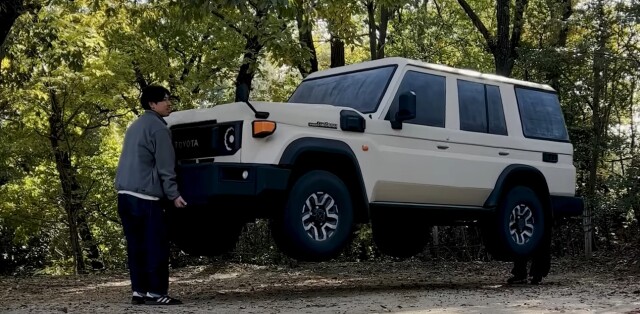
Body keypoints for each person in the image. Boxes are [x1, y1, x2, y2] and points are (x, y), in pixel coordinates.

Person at [115, 85, 187, 305]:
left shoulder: (134, 126)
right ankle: (157, 293)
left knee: (136, 246)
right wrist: (174, 195)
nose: (169, 103)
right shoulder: (158, 128)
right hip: (145, 197)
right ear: (152, 104)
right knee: (155, 245)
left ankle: (139, 291)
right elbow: (166, 167)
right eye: (165, 100)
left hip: (124, 194)